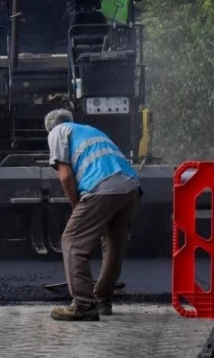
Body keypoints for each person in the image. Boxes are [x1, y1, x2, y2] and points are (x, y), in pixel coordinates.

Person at [45, 108, 142, 321]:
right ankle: (102, 300)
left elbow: (65, 176)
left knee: (72, 240)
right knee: (114, 244)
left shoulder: (57, 132)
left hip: (102, 186)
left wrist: (76, 205)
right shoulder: (90, 130)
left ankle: (82, 304)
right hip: (130, 187)